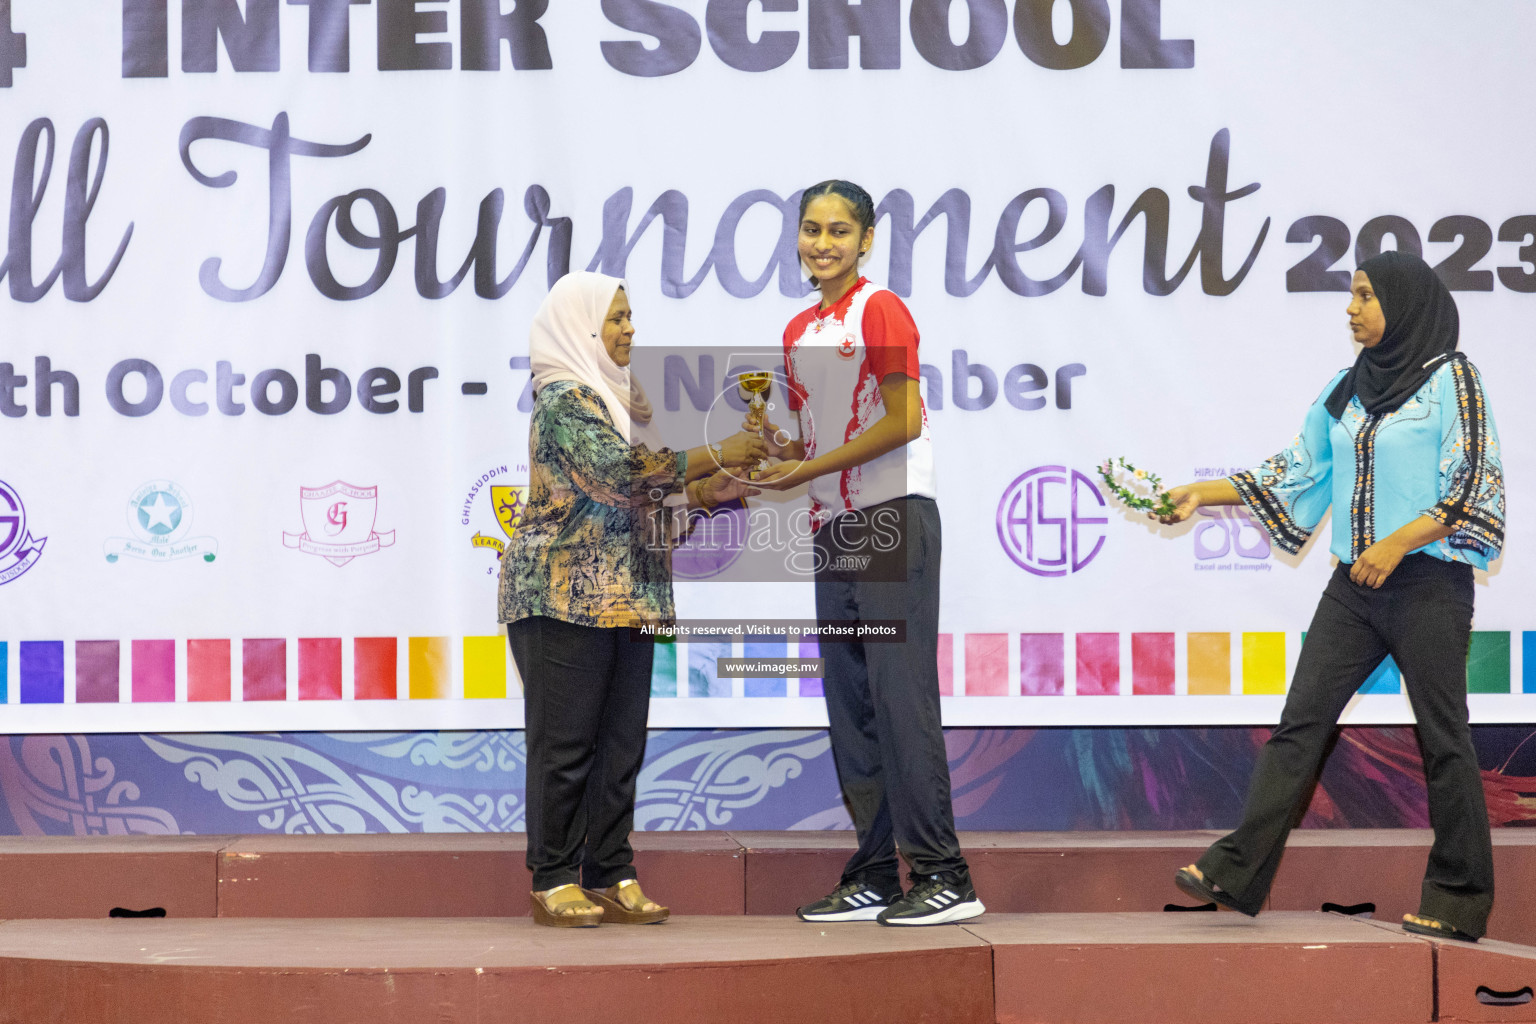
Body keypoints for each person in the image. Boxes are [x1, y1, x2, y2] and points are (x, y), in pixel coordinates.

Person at [1158, 250, 1504, 942]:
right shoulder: (1347, 387)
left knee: (1444, 740)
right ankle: (1235, 868)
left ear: (1403, 305)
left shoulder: (1453, 380)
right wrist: (1205, 493)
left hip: (1427, 586)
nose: (1351, 309)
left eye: (1366, 296)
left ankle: (1458, 901)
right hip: (1353, 588)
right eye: (1352, 295)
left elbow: (1470, 486)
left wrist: (1397, 542)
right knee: (1300, 725)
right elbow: (1297, 468)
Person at [500, 271, 764, 927]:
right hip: (562, 598)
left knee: (621, 746)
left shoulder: (615, 405)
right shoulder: (564, 400)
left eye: (630, 317)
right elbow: (620, 479)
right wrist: (718, 451)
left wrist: (716, 492)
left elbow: (647, 512)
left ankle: (610, 871)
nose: (630, 330)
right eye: (616, 318)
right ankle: (555, 876)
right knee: (566, 746)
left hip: (633, 599)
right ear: (583, 326)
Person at [751, 179, 983, 926]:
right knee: (851, 707)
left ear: (867, 239)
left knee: (898, 696)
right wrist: (766, 448)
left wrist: (809, 468)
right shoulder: (796, 330)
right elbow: (807, 440)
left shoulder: (881, 309)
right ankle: (878, 874)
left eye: (840, 230)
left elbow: (905, 419)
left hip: (892, 515)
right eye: (811, 229)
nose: (823, 243)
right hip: (833, 527)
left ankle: (945, 874)